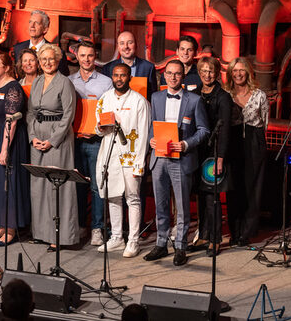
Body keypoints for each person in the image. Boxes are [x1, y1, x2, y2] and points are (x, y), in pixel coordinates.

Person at [145, 59, 209, 266]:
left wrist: (186, 144)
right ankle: (161, 243)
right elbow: (151, 127)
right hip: (159, 158)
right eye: (169, 73)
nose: (173, 77)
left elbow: (204, 131)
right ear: (163, 75)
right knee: (161, 205)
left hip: (181, 159)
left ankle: (180, 246)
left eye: (177, 74)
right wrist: (150, 139)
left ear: (183, 76)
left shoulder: (194, 100)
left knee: (181, 206)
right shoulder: (155, 97)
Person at [94, 63, 150, 258]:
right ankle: (117, 237)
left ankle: (133, 240)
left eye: (123, 75)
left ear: (130, 77)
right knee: (113, 196)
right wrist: (100, 128)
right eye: (116, 75)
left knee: (132, 198)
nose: (119, 79)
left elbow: (143, 134)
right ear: (112, 77)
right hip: (109, 154)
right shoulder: (105, 98)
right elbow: (97, 127)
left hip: (131, 154)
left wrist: (139, 163)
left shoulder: (139, 101)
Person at [27, 44, 78, 250]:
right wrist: (32, 137)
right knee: (38, 187)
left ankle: (59, 236)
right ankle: (40, 232)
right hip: (37, 136)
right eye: (43, 59)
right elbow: (30, 112)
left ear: (58, 61)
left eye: (51, 59)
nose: (47, 63)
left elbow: (68, 115)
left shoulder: (65, 83)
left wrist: (53, 140)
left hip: (58, 139)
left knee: (57, 187)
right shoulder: (37, 81)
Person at [0, 52, 30, 247]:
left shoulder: (13, 88)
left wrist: (4, 149)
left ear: (7, 67)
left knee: (7, 182)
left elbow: (11, 121)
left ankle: (11, 229)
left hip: (8, 138)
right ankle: (2, 225)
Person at [68, 40, 112, 246]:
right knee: (76, 185)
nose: (86, 59)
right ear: (76, 56)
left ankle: (97, 228)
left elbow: (110, 112)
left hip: (96, 141)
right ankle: (78, 226)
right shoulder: (68, 81)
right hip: (74, 141)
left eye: (90, 55)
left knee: (97, 186)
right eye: (82, 55)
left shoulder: (106, 82)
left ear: (95, 57)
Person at [225, 57, 269, 247]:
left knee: (252, 188)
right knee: (234, 188)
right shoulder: (226, 93)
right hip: (232, 142)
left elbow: (265, 122)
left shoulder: (260, 95)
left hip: (254, 141)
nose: (238, 74)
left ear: (249, 72)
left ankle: (246, 232)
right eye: (235, 71)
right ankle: (234, 231)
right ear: (230, 74)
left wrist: (256, 142)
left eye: (242, 70)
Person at [193, 56, 231, 255]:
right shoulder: (193, 93)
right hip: (197, 151)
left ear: (217, 73)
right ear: (199, 72)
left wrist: (220, 158)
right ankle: (204, 235)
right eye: (204, 71)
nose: (207, 75)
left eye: (211, 71)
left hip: (214, 153)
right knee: (201, 196)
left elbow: (224, 130)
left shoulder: (223, 97)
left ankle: (215, 239)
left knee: (212, 197)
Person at [102, 31, 158, 99]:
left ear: (136, 45)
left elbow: (153, 96)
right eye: (122, 43)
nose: (126, 46)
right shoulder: (108, 68)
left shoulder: (148, 67)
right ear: (118, 47)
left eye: (130, 42)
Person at [12, 9, 69, 75]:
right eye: (30, 22)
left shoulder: (57, 53)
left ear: (45, 29)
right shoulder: (18, 48)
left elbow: (62, 79)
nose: (32, 26)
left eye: (37, 23)